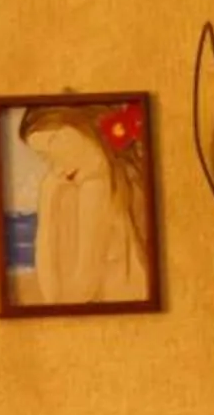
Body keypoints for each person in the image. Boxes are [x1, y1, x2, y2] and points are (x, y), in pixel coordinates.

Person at [15, 101, 151, 305]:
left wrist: (48, 202)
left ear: (85, 123)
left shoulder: (98, 186)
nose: (58, 168)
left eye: (54, 141)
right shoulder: (124, 177)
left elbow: (69, 295)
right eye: (46, 158)